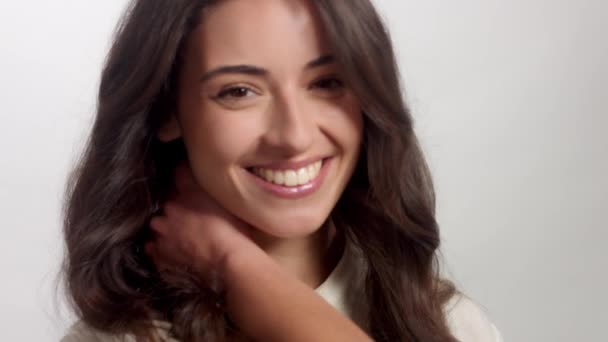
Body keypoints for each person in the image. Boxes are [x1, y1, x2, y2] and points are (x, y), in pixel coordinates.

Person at [61, 0, 502, 341]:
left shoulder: (450, 323)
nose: (293, 136)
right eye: (238, 91)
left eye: (327, 83)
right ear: (166, 110)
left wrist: (235, 268)